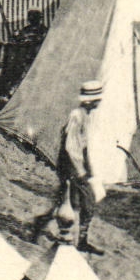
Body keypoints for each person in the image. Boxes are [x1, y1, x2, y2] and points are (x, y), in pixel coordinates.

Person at [48, 81, 104, 254]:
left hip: (78, 165)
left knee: (71, 200)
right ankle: (80, 240)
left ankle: (76, 237)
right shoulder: (77, 116)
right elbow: (71, 147)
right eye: (96, 100)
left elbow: (83, 146)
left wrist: (89, 168)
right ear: (90, 101)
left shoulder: (85, 116)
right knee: (86, 200)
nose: (98, 103)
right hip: (71, 165)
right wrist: (80, 172)